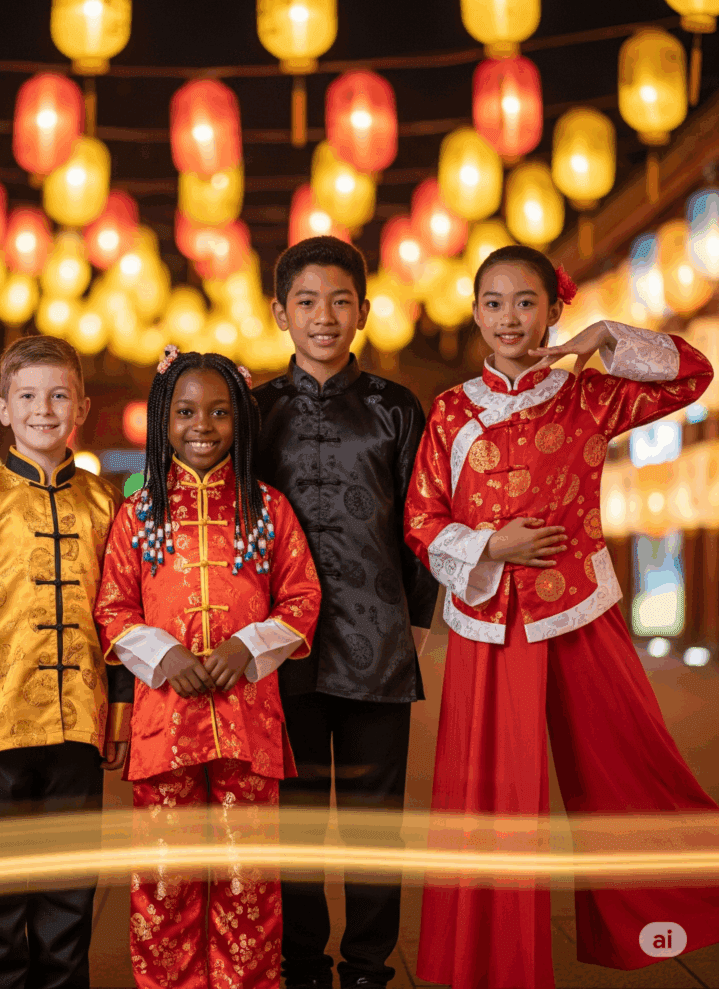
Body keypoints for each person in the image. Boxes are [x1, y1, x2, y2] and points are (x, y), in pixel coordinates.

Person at [404, 244, 719, 989]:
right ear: (475, 312)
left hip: (581, 606)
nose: (508, 317)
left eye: (525, 302)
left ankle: (665, 913)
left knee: (630, 767)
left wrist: (604, 339)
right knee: (492, 804)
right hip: (490, 620)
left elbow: (694, 373)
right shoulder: (451, 411)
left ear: (554, 309)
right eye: (492, 302)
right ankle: (490, 967)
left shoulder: (590, 395)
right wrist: (491, 544)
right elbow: (421, 520)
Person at [94, 348, 322, 989]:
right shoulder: (136, 515)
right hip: (164, 727)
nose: (204, 424)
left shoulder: (268, 510)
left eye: (221, 412)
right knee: (165, 880)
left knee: (248, 879)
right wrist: (163, 655)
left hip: (249, 726)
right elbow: (112, 606)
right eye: (188, 411)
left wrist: (247, 649)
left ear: (241, 421)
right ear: (163, 418)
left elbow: (303, 598)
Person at [251, 235, 439, 989]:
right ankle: (302, 964)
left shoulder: (397, 408)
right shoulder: (253, 409)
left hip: (377, 647)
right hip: (277, 652)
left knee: (372, 824)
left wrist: (415, 623)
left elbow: (424, 523)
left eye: (339, 300)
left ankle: (367, 966)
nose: (323, 316)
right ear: (279, 313)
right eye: (305, 301)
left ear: (364, 311)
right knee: (291, 825)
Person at [0, 334, 133, 989]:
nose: (44, 409)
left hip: (79, 724)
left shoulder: (106, 504)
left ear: (81, 408)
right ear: (4, 409)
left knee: (68, 888)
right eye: (28, 396)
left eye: (58, 395)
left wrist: (120, 714)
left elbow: (122, 615)